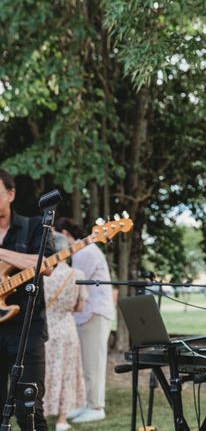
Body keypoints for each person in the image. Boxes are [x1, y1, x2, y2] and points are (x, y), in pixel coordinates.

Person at [0, 169, 55, 431]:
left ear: (10, 194)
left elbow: (45, 265)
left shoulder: (35, 226)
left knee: (29, 411)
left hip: (27, 332)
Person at [54, 217, 114, 424]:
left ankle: (96, 407)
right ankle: (84, 403)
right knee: (83, 362)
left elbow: (77, 283)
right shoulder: (82, 251)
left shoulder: (86, 251)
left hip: (94, 314)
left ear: (64, 234)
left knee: (93, 362)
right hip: (84, 315)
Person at [42, 232, 87, 431]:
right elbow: (79, 307)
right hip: (67, 328)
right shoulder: (76, 275)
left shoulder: (41, 275)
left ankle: (39, 414)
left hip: (44, 328)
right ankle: (62, 420)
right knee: (67, 373)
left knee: (43, 373)